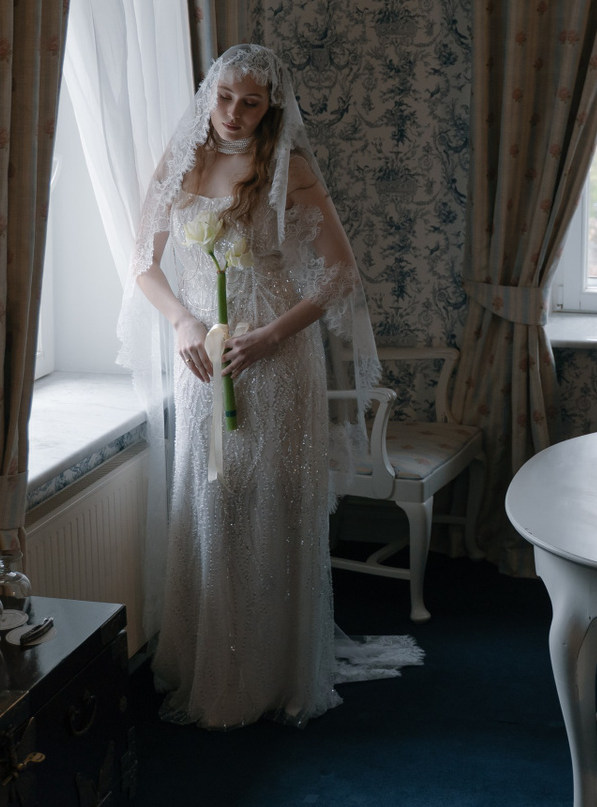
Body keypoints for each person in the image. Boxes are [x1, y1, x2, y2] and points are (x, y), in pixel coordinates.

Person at [122, 43, 419, 728]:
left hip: (278, 359)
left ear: (271, 107)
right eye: (225, 97)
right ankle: (214, 662)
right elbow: (143, 262)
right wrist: (183, 321)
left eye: (250, 103)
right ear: (209, 94)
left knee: (272, 504)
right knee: (212, 500)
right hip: (203, 359)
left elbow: (340, 273)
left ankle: (278, 667)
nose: (233, 113)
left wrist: (274, 335)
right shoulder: (181, 163)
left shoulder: (290, 168)